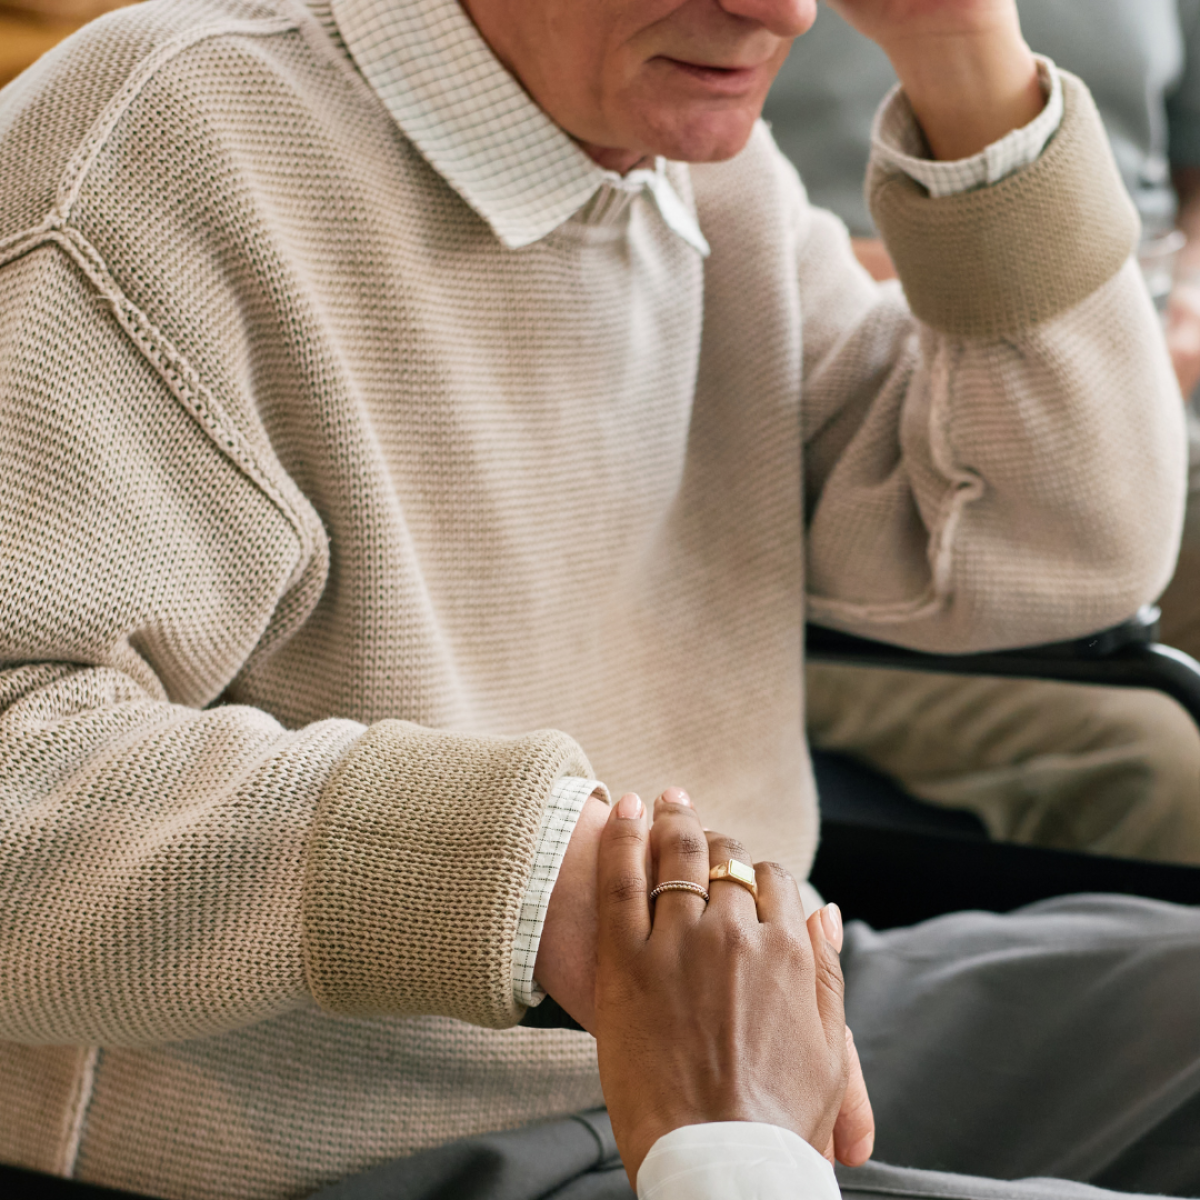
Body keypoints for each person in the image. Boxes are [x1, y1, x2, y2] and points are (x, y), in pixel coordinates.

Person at [0, 0, 1195, 1199]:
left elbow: (1060, 550)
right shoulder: (168, 145)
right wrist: (541, 879)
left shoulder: (700, 171)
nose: (783, 11)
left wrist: (960, 49)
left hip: (765, 997)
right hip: (376, 1139)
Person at [765, 1, 1200, 863]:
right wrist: (996, 271)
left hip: (1153, 376)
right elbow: (702, 213)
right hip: (870, 410)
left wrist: (1180, 296)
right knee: (1167, 767)